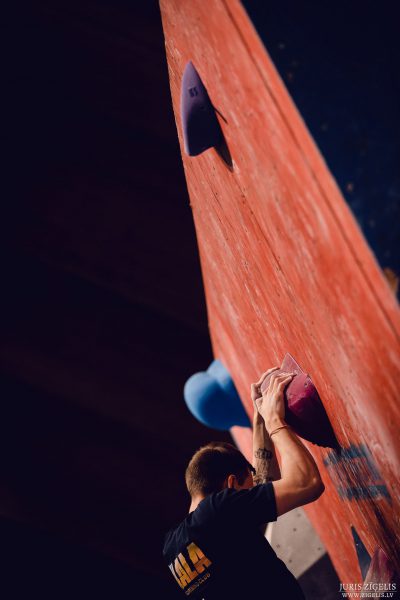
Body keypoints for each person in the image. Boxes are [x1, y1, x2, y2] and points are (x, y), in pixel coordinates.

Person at [163, 366, 325, 598]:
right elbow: (308, 483)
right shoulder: (216, 512)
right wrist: (274, 421)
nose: (251, 493)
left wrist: (258, 419)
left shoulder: (173, 546)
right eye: (244, 489)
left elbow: (259, 487)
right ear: (230, 484)